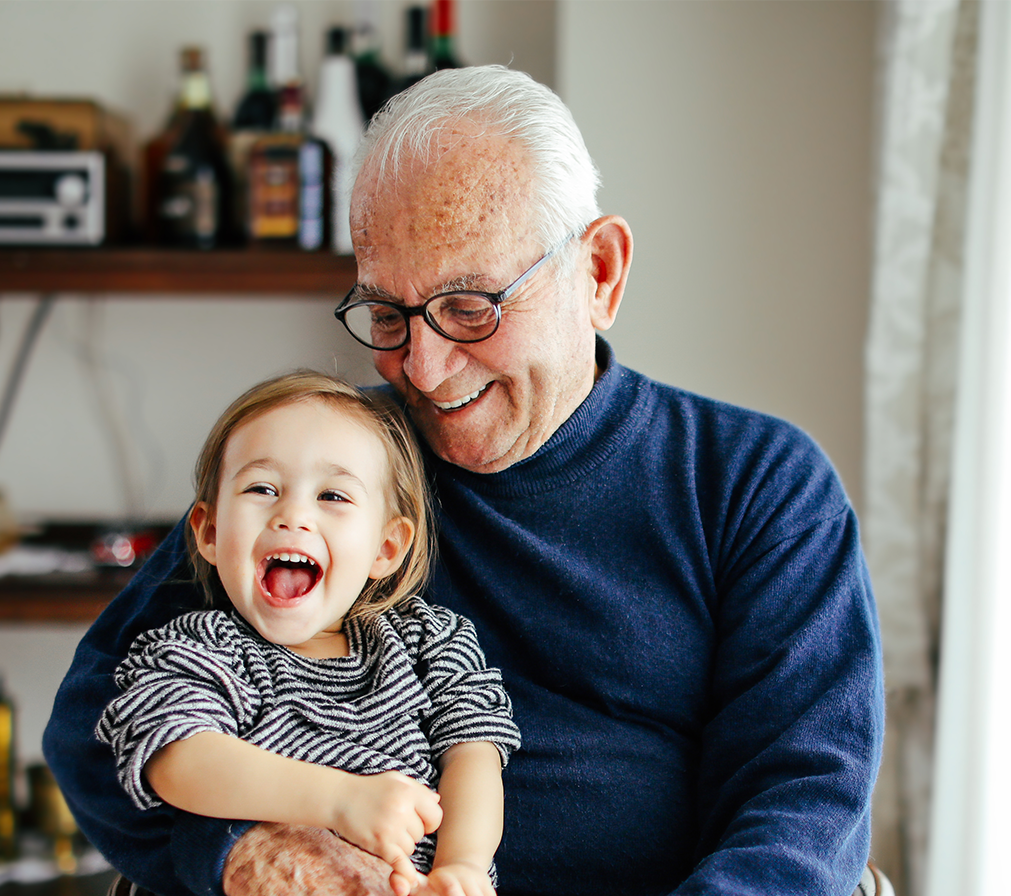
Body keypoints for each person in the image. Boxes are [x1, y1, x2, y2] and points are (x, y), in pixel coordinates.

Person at [45, 65, 884, 896]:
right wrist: (244, 855)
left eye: (471, 306)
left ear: (600, 273)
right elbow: (97, 718)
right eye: (387, 314)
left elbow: (802, 806)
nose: (426, 367)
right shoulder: (334, 465)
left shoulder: (756, 484)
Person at [95, 372, 520, 896]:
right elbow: (176, 758)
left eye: (333, 496)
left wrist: (464, 866)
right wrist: (339, 800)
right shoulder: (199, 648)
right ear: (208, 532)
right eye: (262, 488)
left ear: (387, 547)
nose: (292, 514)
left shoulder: (431, 643)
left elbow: (474, 756)